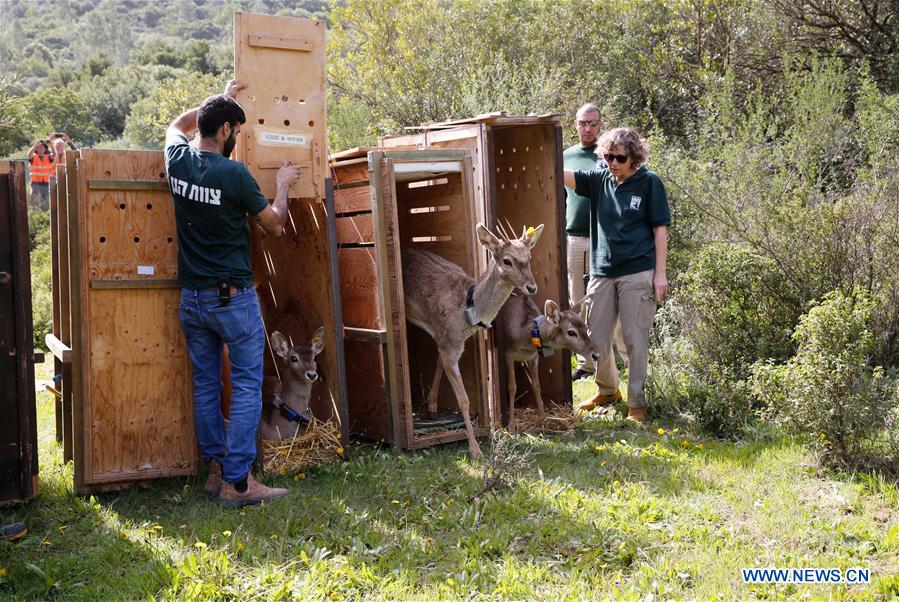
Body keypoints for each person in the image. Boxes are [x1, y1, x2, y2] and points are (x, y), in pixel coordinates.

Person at [166, 79, 300, 507]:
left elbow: (176, 123)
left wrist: (218, 100)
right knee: (245, 385)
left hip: (193, 300)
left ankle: (214, 471)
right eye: (234, 131)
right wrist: (283, 183)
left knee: (206, 385)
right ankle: (239, 483)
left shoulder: (176, 159)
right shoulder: (235, 175)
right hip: (232, 300)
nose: (235, 139)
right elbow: (275, 224)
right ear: (225, 130)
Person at [563, 127, 670, 421]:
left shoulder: (650, 183)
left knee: (634, 339)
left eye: (619, 158)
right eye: (608, 156)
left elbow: (660, 229)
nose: (612, 163)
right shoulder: (600, 179)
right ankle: (608, 390)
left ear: (634, 157)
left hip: (637, 272)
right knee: (595, 336)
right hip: (601, 272)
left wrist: (659, 274)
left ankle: (636, 403)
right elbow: (566, 177)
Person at [563, 103, 628, 380]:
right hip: (574, 238)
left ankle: (626, 360)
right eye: (583, 123)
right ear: (575, 124)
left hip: (603, 239)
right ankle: (586, 363)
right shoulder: (564, 156)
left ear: (601, 125)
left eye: (593, 123)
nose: (588, 128)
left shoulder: (609, 156)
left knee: (609, 300)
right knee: (577, 300)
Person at [26, 138, 56, 210]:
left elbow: (54, 155)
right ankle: (36, 213)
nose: (40, 149)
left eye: (42, 147)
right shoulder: (33, 157)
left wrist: (52, 146)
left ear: (45, 149)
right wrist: (34, 145)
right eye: (38, 147)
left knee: (46, 201)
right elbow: (29, 155)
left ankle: (43, 215)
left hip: (46, 183)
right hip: (35, 182)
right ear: (36, 149)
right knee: (34, 198)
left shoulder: (48, 157)